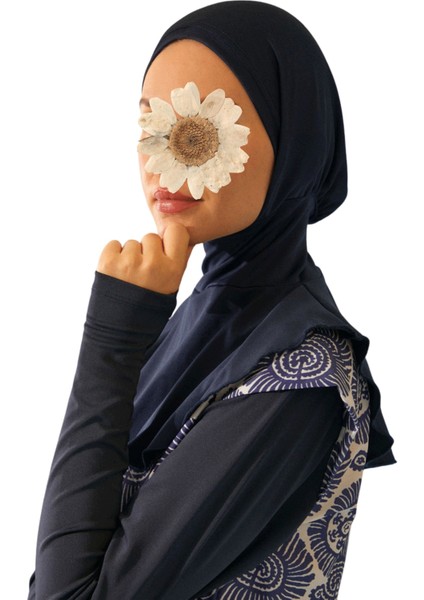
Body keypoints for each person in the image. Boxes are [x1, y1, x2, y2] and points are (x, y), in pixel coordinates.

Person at [28, 1, 395, 598]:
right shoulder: (200, 318)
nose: (164, 162)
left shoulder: (300, 376)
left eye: (202, 125)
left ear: (293, 141)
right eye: (152, 125)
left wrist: (111, 342)